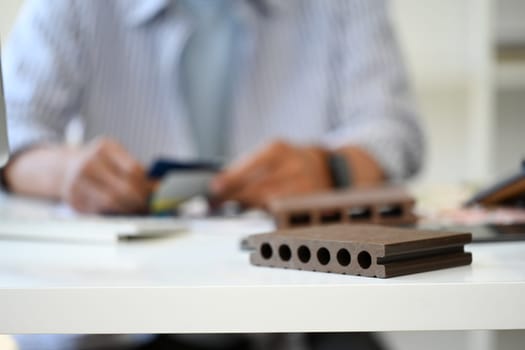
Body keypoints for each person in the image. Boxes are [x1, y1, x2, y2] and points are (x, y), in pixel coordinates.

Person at [2, 0, 423, 349]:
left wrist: (329, 167)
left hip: (302, 317)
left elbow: (394, 131)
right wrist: (66, 171)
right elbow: (13, 136)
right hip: (125, 324)